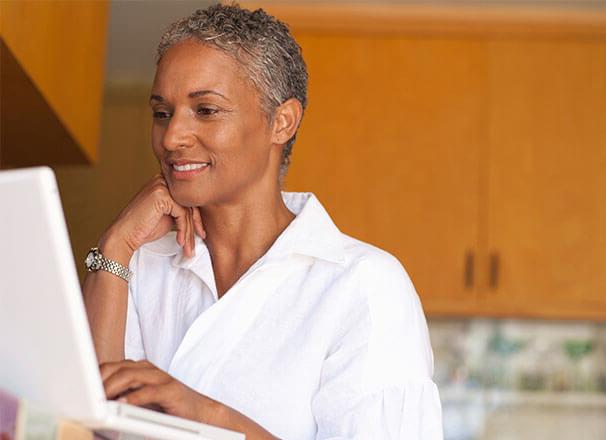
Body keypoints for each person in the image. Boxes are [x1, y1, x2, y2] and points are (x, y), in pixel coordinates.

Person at [82, 3, 442, 439]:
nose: (173, 137)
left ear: (282, 122)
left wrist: (205, 414)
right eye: (162, 113)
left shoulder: (364, 288)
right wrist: (115, 244)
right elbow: (90, 425)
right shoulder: (138, 266)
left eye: (207, 110)